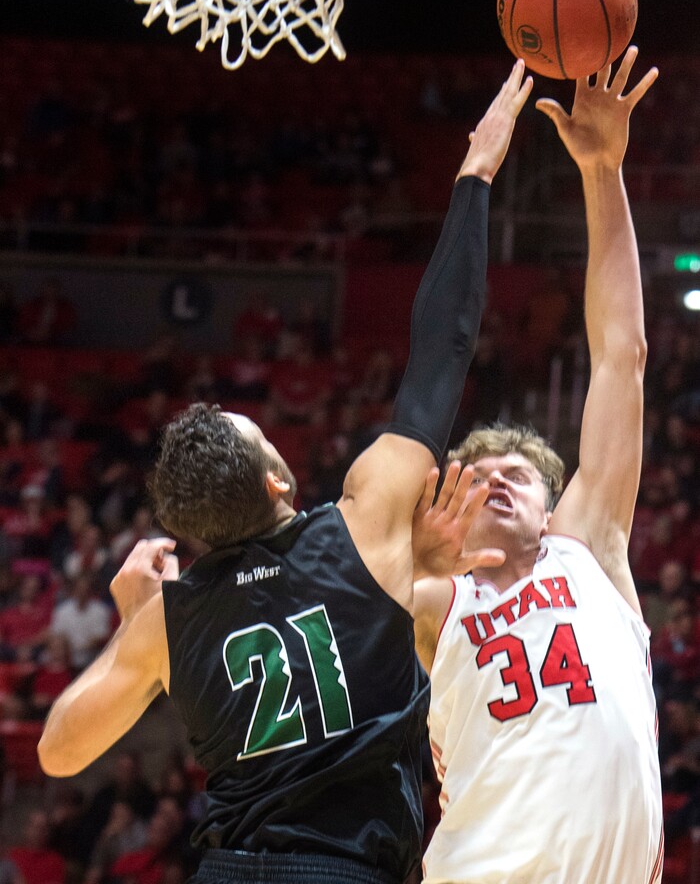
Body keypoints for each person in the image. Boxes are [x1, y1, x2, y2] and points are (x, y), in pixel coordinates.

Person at [38, 61, 533, 884]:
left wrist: (137, 627)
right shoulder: (365, 529)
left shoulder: (172, 618)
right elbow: (441, 350)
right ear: (279, 483)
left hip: (229, 870)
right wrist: (475, 175)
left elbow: (57, 752)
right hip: (346, 871)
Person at [411, 47, 663, 884]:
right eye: (480, 472)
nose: (501, 475)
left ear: (555, 509)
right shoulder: (432, 598)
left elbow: (621, 354)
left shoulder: (587, 547)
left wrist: (603, 172)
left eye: (523, 471)